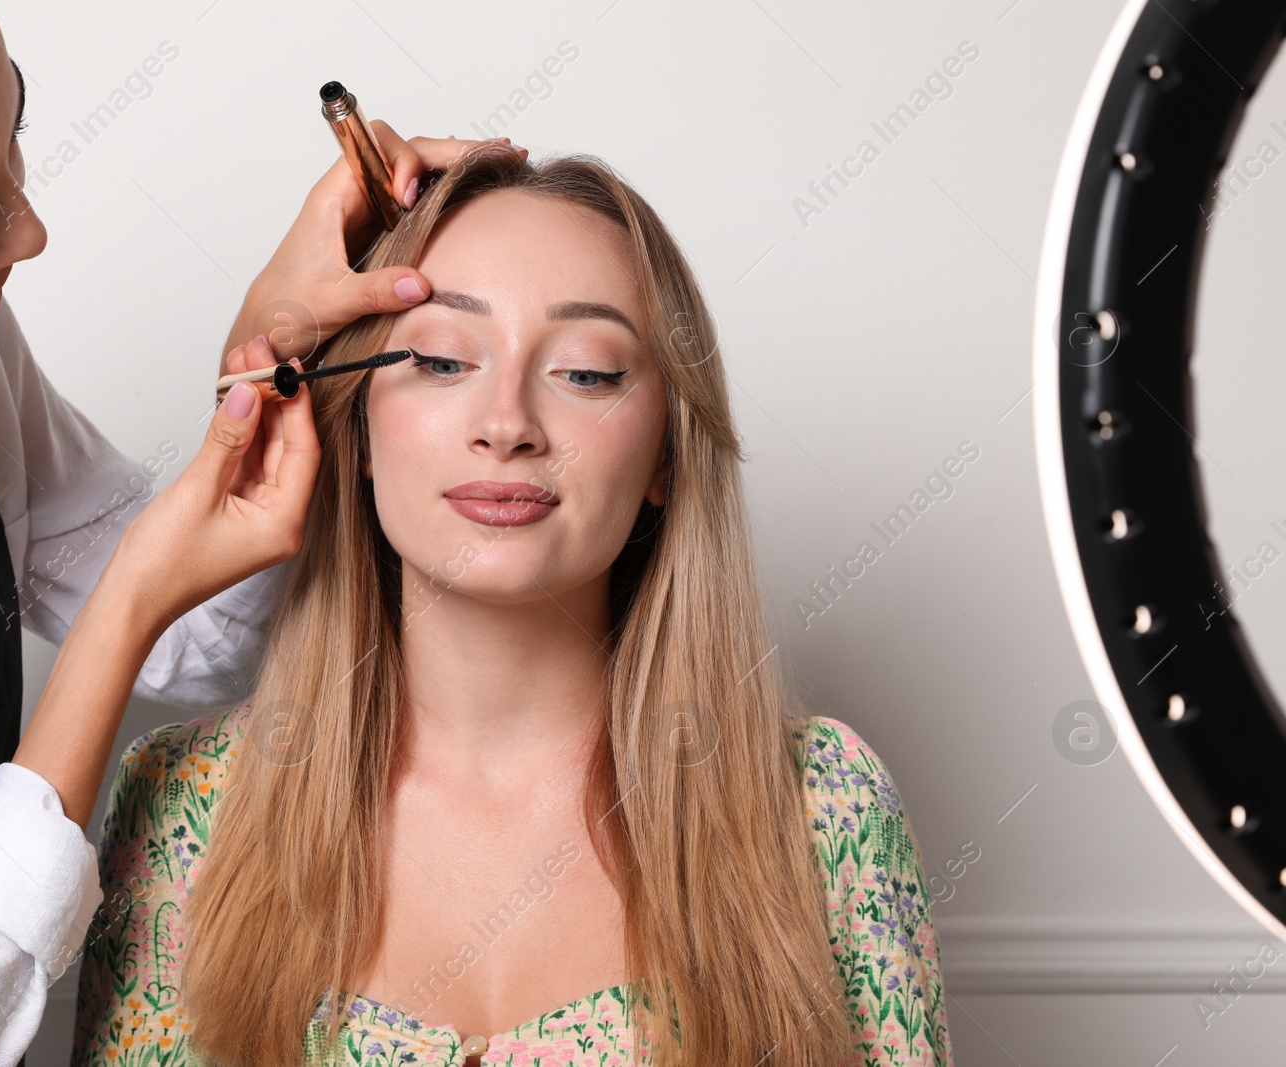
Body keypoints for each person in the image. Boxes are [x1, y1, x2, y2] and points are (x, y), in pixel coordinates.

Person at [0, 0, 514, 1063]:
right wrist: (120, 613)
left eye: (11, 146)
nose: (28, 239)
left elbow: (205, 639)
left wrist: (264, 364)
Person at [72, 145, 953, 1067]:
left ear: (665, 454)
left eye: (586, 373)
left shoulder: (824, 810)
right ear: (358, 425)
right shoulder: (186, 806)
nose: (507, 423)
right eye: (443, 358)